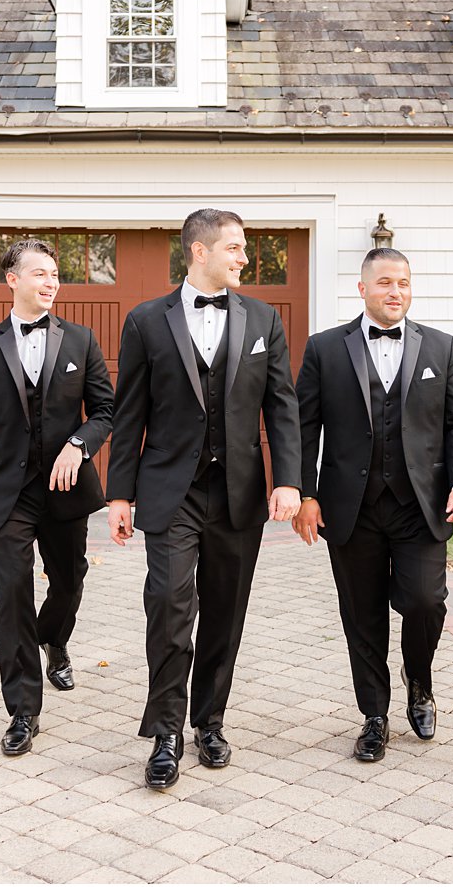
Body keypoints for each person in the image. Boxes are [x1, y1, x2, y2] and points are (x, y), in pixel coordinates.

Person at [106, 208, 301, 790]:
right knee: (168, 605)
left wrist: (287, 480)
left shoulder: (264, 319)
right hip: (171, 493)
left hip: (239, 494)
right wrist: (120, 495)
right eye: (236, 248)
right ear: (199, 251)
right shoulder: (145, 321)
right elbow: (130, 411)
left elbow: (281, 406)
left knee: (224, 613)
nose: (245, 258)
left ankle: (208, 721)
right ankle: (165, 731)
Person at [293, 247, 453, 761]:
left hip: (421, 505)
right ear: (362, 289)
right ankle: (374, 715)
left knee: (424, 600)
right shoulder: (325, 348)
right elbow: (303, 427)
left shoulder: (441, 347)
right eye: (384, 283)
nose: (395, 292)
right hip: (349, 506)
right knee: (363, 614)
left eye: (402, 283)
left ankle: (419, 681)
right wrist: (305, 492)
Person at [0, 238, 115, 756]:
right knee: (12, 591)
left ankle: (54, 638)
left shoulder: (81, 341)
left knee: (69, 580)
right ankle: (22, 710)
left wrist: (79, 447)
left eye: (54, 273)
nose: (50, 281)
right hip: (5, 493)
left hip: (65, 490)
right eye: (39, 273)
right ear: (11, 280)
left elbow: (106, 410)